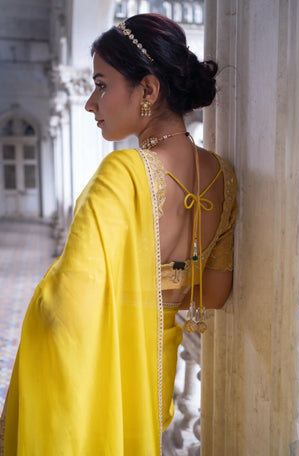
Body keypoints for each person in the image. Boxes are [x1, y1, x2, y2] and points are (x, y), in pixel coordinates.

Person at [1, 13, 237, 456]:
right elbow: (216, 292)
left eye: (102, 84)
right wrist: (158, 292)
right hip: (154, 371)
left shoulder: (122, 171)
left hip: (109, 374)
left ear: (147, 90)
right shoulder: (223, 176)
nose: (91, 103)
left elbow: (65, 308)